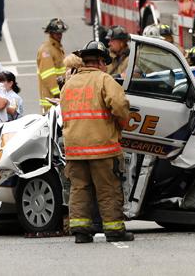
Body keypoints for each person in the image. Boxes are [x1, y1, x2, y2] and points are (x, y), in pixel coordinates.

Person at [61, 40, 133, 244]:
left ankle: (81, 231)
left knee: (79, 188)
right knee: (107, 189)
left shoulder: (69, 84)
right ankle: (114, 230)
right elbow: (119, 105)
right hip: (102, 148)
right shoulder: (104, 80)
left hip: (75, 149)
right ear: (101, 61)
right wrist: (122, 124)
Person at [37, 18, 68, 113]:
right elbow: (47, 75)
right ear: (50, 33)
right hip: (51, 99)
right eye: (57, 33)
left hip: (59, 96)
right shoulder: (46, 51)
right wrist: (58, 93)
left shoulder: (57, 47)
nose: (60, 35)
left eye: (61, 33)